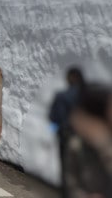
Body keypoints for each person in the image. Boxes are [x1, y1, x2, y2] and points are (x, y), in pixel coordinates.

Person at [49, 67, 85, 196]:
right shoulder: (88, 98)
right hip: (84, 140)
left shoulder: (61, 97)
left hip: (65, 138)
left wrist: (53, 131)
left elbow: (53, 118)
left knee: (67, 171)